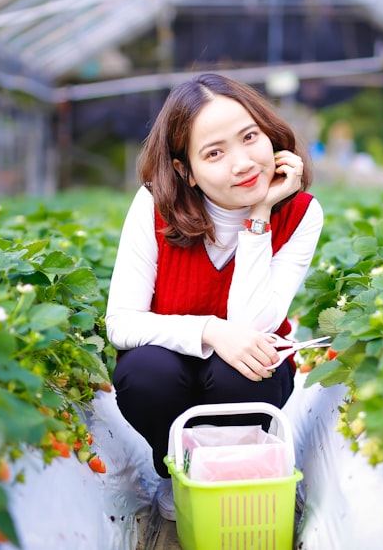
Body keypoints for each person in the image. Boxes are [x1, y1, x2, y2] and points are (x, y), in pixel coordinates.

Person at [105, 73, 324, 521]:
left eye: (250, 137)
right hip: (171, 370)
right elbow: (121, 323)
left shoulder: (301, 213)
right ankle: (177, 471)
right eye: (215, 153)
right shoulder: (154, 207)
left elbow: (254, 323)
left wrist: (259, 217)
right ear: (185, 169)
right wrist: (210, 330)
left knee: (244, 371)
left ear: (270, 136)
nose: (242, 163)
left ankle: (232, 471)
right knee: (146, 371)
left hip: (248, 372)